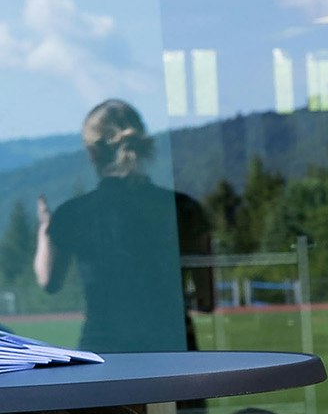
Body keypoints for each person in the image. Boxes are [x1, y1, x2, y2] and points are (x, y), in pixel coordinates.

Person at [34, 100, 207, 354]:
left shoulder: (74, 214)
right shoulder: (183, 209)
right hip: (175, 354)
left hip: (106, 355)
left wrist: (45, 229)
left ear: (92, 152)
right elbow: (206, 301)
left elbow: (48, 281)